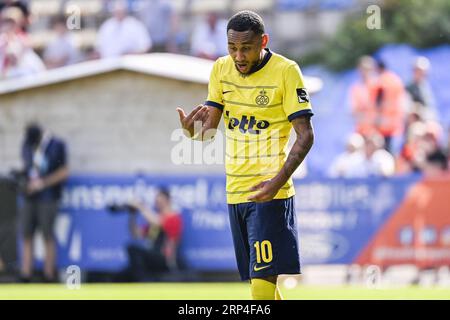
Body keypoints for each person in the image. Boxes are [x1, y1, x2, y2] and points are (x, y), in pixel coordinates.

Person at [176, 11, 314, 300]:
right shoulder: (220, 69)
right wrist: (191, 133)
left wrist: (276, 183)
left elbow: (306, 135)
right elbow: (209, 129)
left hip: (270, 194)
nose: (238, 56)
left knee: (261, 289)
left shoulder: (286, 71)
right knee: (261, 283)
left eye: (246, 48)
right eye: (232, 48)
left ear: (263, 41)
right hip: (235, 193)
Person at [19, 123, 69, 282]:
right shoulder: (27, 144)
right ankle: (26, 274)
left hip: (48, 197)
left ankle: (49, 275)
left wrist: (43, 183)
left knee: (47, 235)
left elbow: (64, 171)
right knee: (26, 234)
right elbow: (27, 168)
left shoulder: (56, 145)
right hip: (29, 197)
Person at [120, 188, 183, 282]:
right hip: (151, 255)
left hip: (165, 258)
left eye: (160, 200)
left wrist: (140, 206)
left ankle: (143, 283)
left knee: (132, 249)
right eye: (156, 201)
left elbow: (158, 222)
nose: (157, 203)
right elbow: (135, 234)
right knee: (122, 276)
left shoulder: (173, 217)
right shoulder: (155, 220)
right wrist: (132, 215)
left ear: (168, 200)